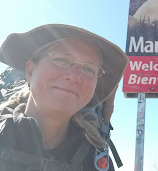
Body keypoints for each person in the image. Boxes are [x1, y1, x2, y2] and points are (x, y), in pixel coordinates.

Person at [0, 24, 129, 171]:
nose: (75, 76)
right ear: (30, 71)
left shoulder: (97, 162)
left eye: (88, 69)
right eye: (61, 60)